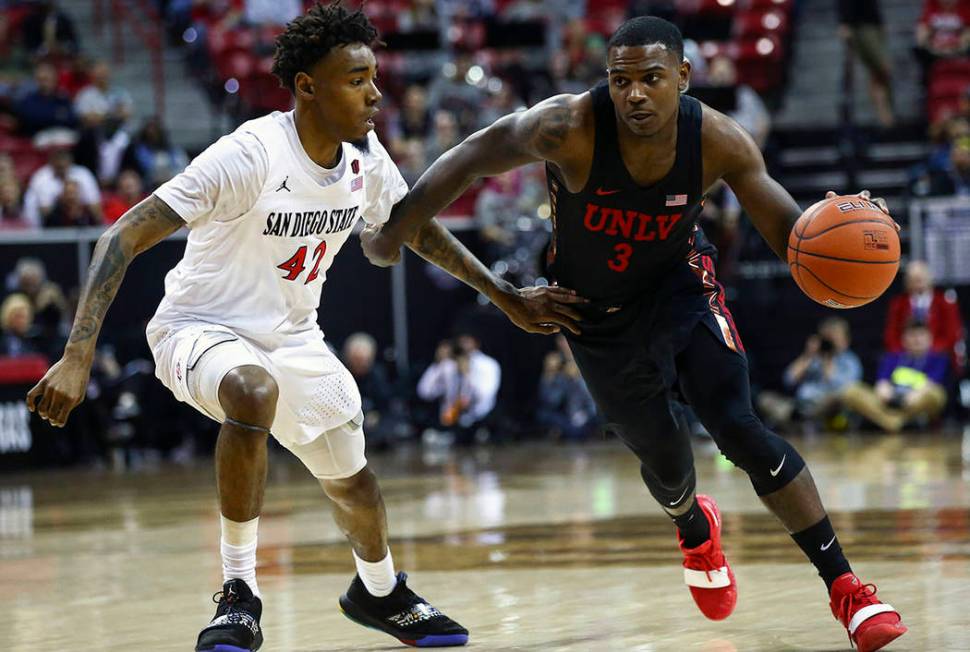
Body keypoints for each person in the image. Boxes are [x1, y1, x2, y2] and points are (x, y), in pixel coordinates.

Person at [25, 4, 585, 651]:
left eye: (375, 76)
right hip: (196, 327)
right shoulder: (250, 155)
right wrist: (76, 354)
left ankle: (378, 593)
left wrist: (505, 294)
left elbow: (414, 229)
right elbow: (123, 234)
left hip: (292, 338)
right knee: (252, 392)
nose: (376, 92)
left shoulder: (365, 161)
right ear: (307, 87)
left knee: (354, 478)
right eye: (356, 78)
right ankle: (238, 593)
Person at [361, 16, 907, 651]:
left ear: (683, 77)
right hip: (591, 312)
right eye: (621, 81)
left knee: (738, 425)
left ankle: (848, 591)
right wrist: (392, 232)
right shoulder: (564, 125)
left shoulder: (720, 142)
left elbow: (795, 238)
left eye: (652, 79)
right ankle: (693, 526)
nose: (636, 94)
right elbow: (467, 159)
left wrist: (848, 221)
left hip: (680, 288)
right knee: (668, 466)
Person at [757, 317, 863, 432]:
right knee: (765, 399)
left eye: (834, 337)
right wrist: (808, 355)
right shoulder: (813, 358)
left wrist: (828, 361)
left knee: (839, 400)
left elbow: (844, 390)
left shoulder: (850, 361)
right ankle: (800, 422)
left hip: (826, 407)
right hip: (800, 406)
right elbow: (789, 379)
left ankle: (802, 423)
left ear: (845, 340)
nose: (829, 343)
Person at [843, 321, 949, 432]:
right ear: (904, 339)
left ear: (930, 338)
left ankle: (890, 422)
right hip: (890, 401)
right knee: (851, 391)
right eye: (912, 335)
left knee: (937, 394)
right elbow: (882, 383)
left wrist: (916, 394)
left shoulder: (938, 359)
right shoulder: (892, 357)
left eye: (921, 335)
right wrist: (884, 392)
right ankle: (895, 422)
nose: (917, 340)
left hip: (915, 402)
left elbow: (931, 383)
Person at [884, 260, 965, 376]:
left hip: (936, 356)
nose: (918, 283)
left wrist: (925, 349)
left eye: (921, 278)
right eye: (914, 279)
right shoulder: (898, 304)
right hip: (906, 356)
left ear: (930, 279)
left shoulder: (945, 303)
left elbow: (952, 335)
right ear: (907, 282)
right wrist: (908, 350)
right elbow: (891, 336)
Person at [416, 334, 501, 444]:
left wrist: (468, 376)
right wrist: (439, 365)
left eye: (466, 342)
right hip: (452, 419)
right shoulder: (448, 366)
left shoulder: (486, 364)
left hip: (478, 417)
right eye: (460, 343)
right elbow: (424, 391)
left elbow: (485, 396)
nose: (463, 346)